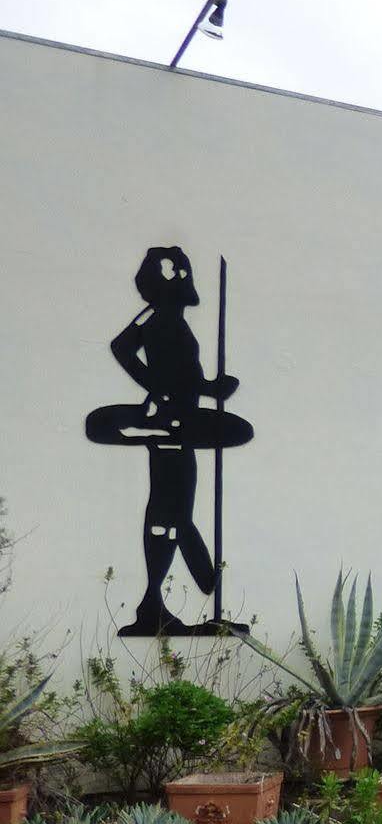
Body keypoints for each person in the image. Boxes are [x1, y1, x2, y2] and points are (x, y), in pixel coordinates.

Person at [84, 246, 253, 635]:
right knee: (169, 507)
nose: (180, 277)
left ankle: (164, 597)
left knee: (174, 507)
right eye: (172, 271)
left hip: (185, 419)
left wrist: (212, 389)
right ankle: (158, 600)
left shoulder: (171, 318)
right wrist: (158, 391)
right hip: (171, 420)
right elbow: (121, 348)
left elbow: (185, 376)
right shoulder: (157, 316)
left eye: (181, 270)